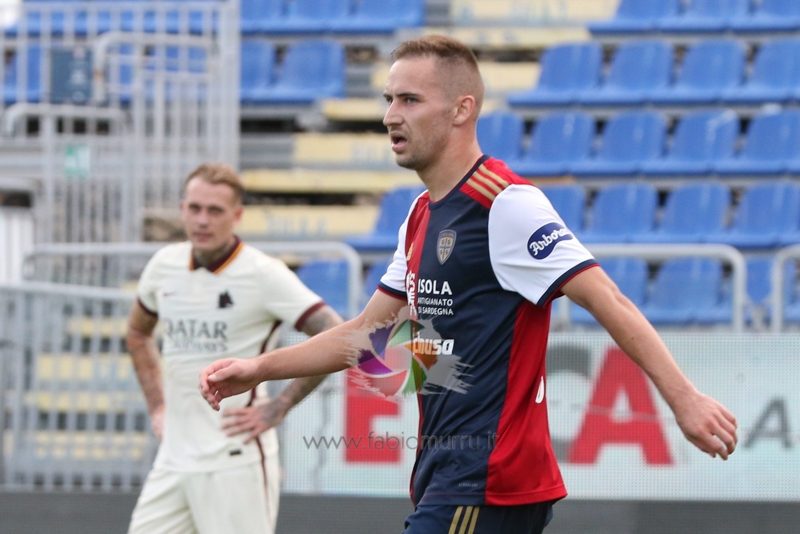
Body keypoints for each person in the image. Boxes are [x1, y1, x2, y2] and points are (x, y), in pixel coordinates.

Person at [199, 36, 738, 534]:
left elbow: (607, 298)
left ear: (461, 109)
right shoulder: (420, 215)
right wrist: (259, 369)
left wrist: (684, 399)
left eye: (410, 100)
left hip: (487, 480)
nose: (390, 116)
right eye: (389, 99)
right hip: (451, 475)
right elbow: (364, 336)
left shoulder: (505, 203)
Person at [127, 163, 342, 534]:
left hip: (235, 458)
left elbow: (335, 334)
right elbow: (136, 333)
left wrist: (279, 406)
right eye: (195, 208)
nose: (202, 220)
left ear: (237, 216)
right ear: (182, 210)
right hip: (173, 458)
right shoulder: (164, 265)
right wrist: (158, 405)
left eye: (215, 210)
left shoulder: (263, 273)